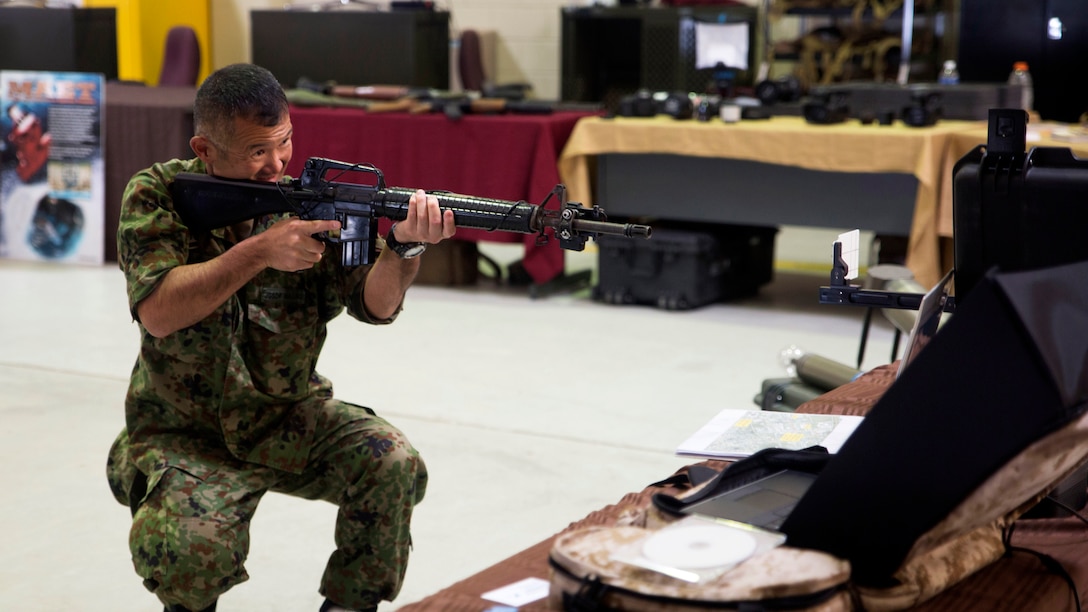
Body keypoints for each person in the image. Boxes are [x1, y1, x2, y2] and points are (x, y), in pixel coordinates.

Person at [105, 63, 454, 612]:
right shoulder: (159, 194)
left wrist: (405, 248)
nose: (277, 165)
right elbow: (159, 311)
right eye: (256, 151)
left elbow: (375, 304)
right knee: (187, 552)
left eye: (285, 142)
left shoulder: (308, 203)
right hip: (184, 433)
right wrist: (260, 252)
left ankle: (349, 605)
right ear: (205, 148)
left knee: (391, 462)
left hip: (286, 415)